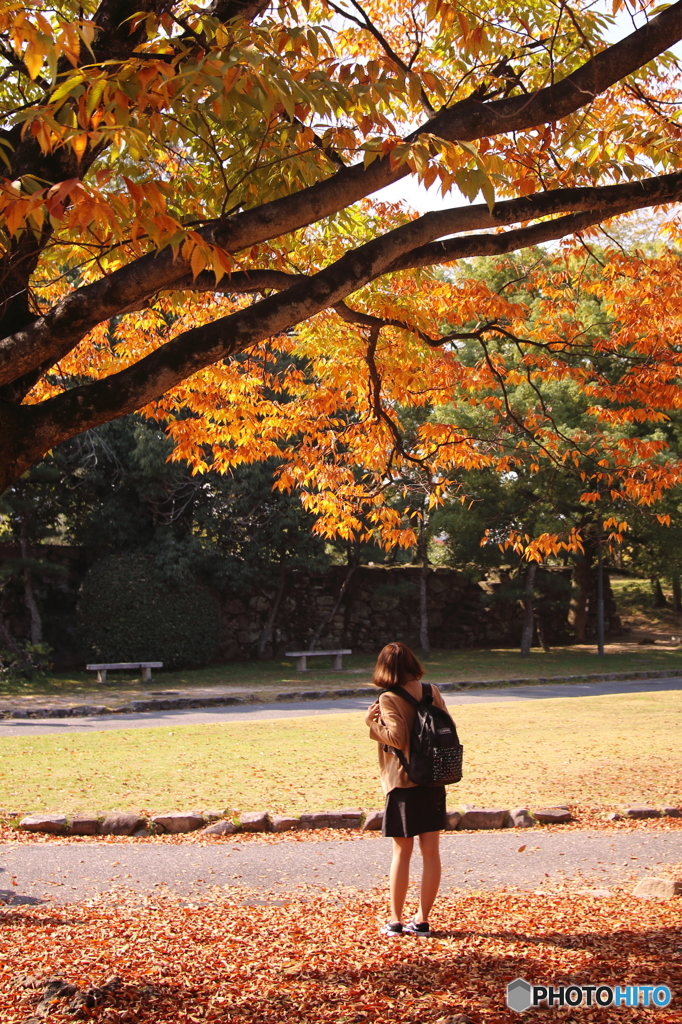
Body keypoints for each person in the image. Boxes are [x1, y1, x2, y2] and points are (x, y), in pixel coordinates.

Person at [365, 641, 450, 938]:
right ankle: (423, 919)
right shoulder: (431, 691)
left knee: (402, 851)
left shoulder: (389, 698)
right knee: (431, 852)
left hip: (403, 781)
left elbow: (397, 738)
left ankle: (395, 919)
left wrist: (370, 724)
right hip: (434, 779)